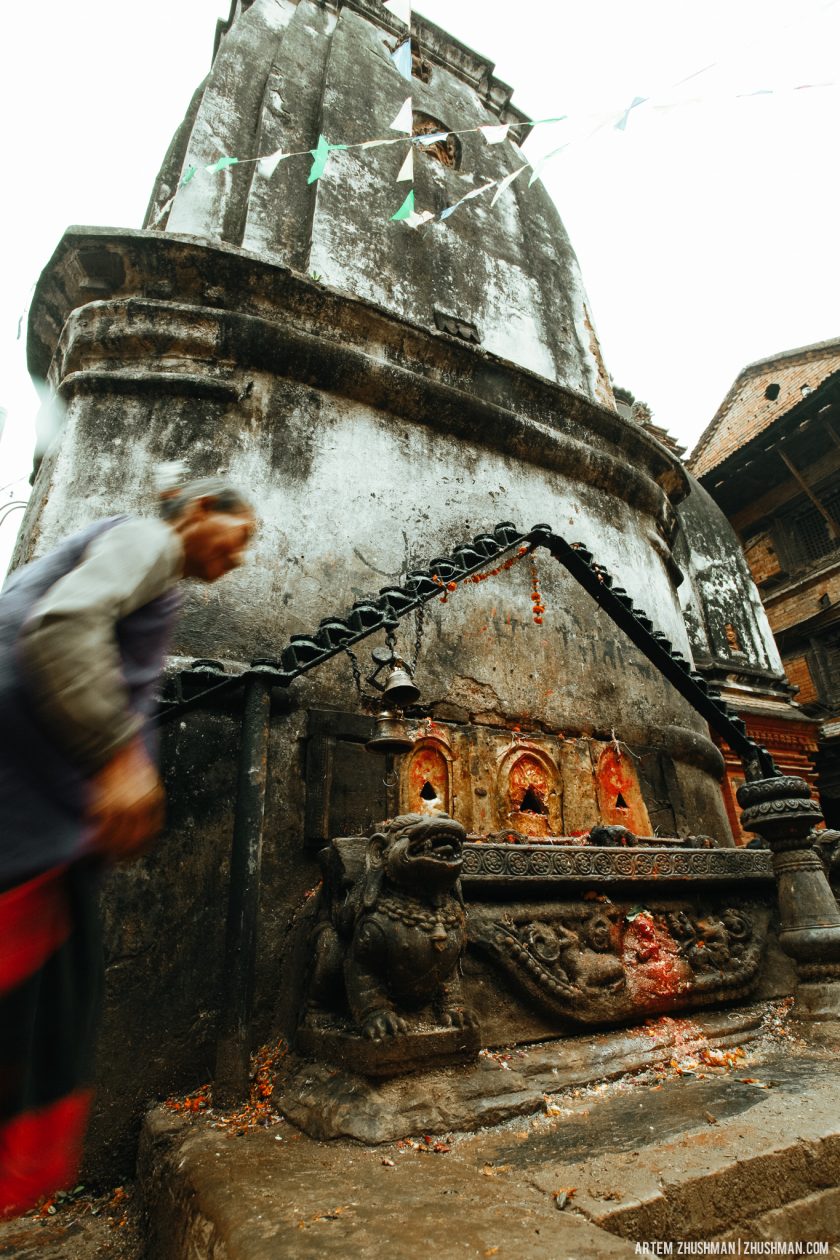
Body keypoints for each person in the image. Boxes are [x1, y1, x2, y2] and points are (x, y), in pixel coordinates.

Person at [0, 474, 256, 1217]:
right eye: (240, 539)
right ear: (202, 510)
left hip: (36, 832)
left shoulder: (144, 575)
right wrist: (118, 753)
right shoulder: (146, 541)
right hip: (27, 836)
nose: (238, 561)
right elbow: (60, 627)